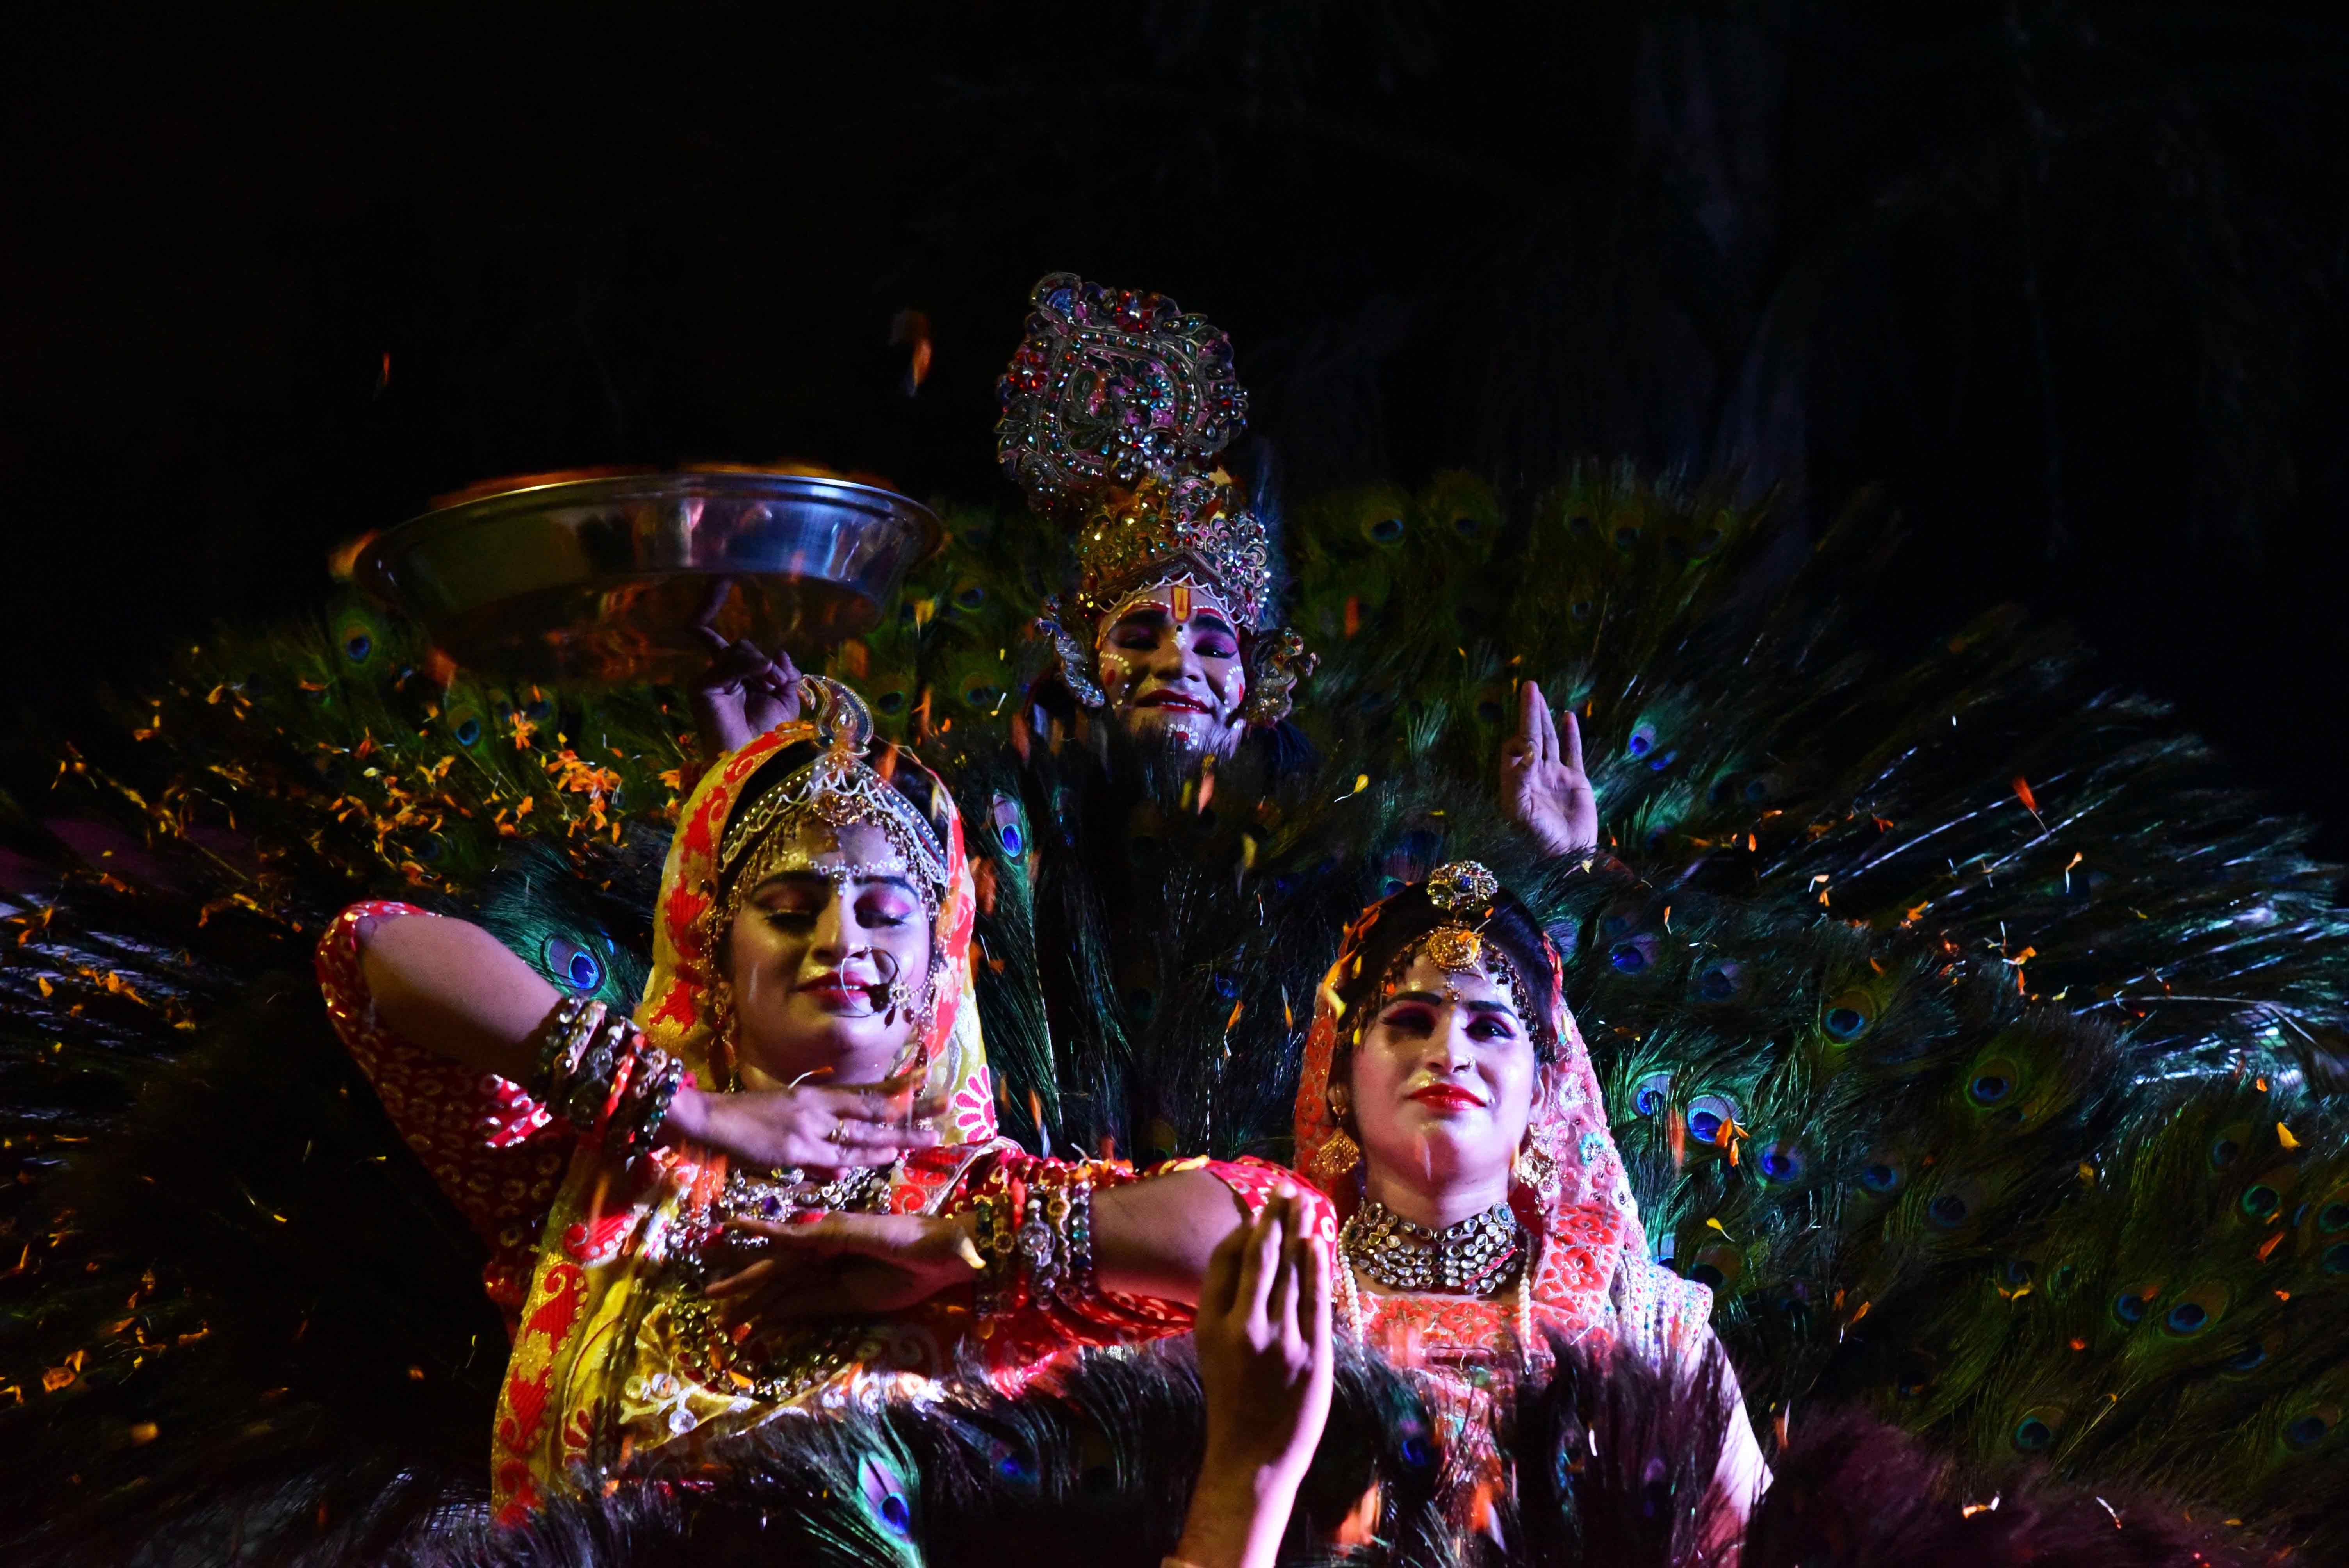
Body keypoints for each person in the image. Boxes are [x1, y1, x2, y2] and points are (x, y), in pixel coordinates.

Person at [321, 676, 1290, 1518]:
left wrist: (968, 1246)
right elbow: (370, 952)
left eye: (885, 911)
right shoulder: (594, 1184)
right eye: (789, 911)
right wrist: (679, 1109)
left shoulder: (981, 1196)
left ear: (936, 963)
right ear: (713, 948)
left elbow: (1285, 1238)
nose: (840, 942)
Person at [760, 857, 1770, 1541]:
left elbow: (1763, 1544)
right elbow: (1099, 1237)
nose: (1447, 1052)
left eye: (1490, 1028)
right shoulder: (1279, 1273)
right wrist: (967, 1242)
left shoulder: (1646, 1323)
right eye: (1407, 1020)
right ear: (1341, 1078)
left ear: (1546, 1091)